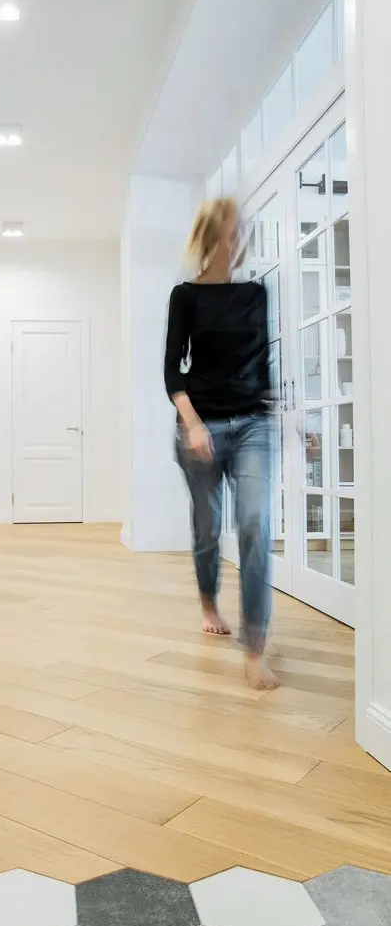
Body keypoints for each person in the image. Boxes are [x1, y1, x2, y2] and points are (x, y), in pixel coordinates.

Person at [164, 197, 278, 690]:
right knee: (208, 527)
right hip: (201, 425)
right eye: (232, 232)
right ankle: (209, 602)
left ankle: (255, 647)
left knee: (254, 523)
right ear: (211, 237)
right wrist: (192, 424)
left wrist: (285, 413)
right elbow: (172, 371)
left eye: (241, 232)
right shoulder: (185, 297)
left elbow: (262, 365)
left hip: (253, 424)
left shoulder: (255, 294)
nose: (238, 241)